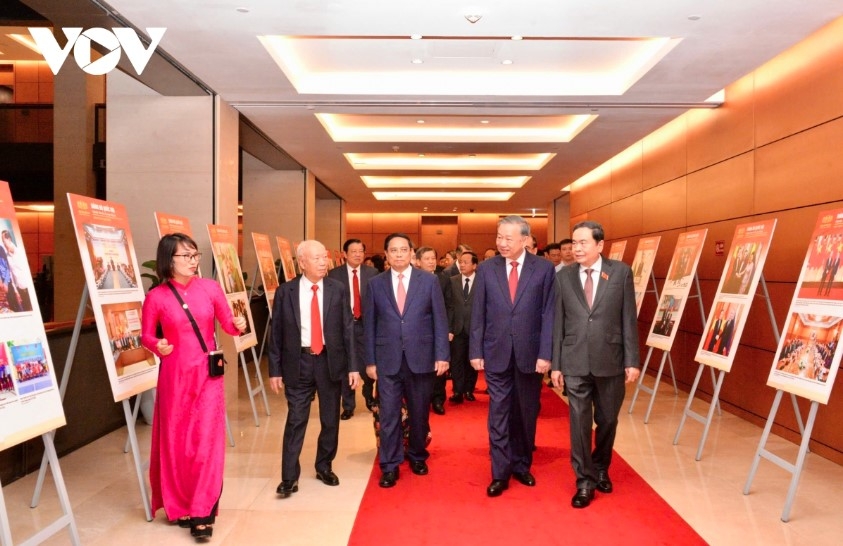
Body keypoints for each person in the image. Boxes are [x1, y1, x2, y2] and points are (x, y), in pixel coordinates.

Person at [141, 233, 247, 540]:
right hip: (174, 377)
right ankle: (181, 505)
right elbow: (146, 336)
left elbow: (227, 324)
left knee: (206, 444)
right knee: (177, 443)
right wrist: (157, 344)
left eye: (195, 255)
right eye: (185, 256)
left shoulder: (210, 288)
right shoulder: (157, 297)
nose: (193, 261)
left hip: (207, 377)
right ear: (168, 261)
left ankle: (203, 509)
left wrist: (237, 324)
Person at [551, 220, 640, 509]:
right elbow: (558, 323)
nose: (576, 248)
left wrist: (632, 360)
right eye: (574, 243)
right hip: (574, 359)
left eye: (583, 243)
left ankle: (601, 466)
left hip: (610, 359)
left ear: (600, 245)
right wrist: (556, 364)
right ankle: (585, 480)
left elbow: (628, 318)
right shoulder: (563, 277)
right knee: (578, 422)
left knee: (608, 419)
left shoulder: (620, 273)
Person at [469, 215, 555, 498]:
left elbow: (548, 315)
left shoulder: (543, 269)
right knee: (499, 413)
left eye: (508, 238)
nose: (502, 243)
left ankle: (521, 465)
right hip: (496, 352)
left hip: (530, 355)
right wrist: (476, 350)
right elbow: (478, 313)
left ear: (525, 240)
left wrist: (546, 353)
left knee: (526, 413)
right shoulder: (486, 269)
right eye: (499, 237)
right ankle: (500, 472)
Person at [269, 240, 361, 498]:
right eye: (317, 258)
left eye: (325, 257)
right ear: (302, 263)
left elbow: (347, 329)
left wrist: (353, 366)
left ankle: (324, 466)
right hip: (298, 362)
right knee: (296, 419)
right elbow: (276, 333)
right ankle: (289, 477)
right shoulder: (286, 292)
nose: (324, 262)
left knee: (330, 418)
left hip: (330, 362)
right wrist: (274, 369)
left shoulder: (337, 289)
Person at [364, 233, 450, 488]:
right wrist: (370, 361)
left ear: (412, 253)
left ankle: (417, 455)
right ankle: (389, 465)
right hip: (387, 359)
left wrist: (442, 355)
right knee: (389, 415)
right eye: (394, 250)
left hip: (421, 358)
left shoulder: (429, 281)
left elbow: (439, 319)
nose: (399, 254)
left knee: (419, 413)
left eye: (404, 250)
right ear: (386, 255)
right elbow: (369, 325)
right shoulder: (375, 284)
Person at [327, 238, 377, 419]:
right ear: (345, 254)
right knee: (347, 365)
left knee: (368, 364)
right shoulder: (333, 275)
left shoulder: (373, 273)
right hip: (343, 327)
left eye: (360, 251)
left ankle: (369, 395)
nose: (357, 254)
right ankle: (348, 405)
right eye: (353, 251)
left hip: (366, 326)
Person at [416, 246, 449, 415]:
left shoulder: (443, 279)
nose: (431, 262)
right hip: (419, 333)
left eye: (433, 258)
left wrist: (449, 329)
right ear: (418, 262)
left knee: (439, 367)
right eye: (427, 259)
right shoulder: (413, 280)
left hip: (439, 330)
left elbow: (450, 306)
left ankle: (438, 399)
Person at [447, 251, 478, 404]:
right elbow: (449, 306)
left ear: (474, 265)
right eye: (461, 261)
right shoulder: (452, 281)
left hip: (475, 329)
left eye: (466, 262)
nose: (462, 264)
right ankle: (458, 391)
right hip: (457, 328)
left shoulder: (482, 281)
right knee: (457, 361)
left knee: (472, 361)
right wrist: (449, 328)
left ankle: (469, 390)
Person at [1, 230, 32, 311]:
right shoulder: (7, 256)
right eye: (2, 241)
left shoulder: (19, 251)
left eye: (4, 241)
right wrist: (16, 290)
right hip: (19, 288)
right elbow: (11, 273)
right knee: (25, 309)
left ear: (10, 239)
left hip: (28, 287)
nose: (4, 243)